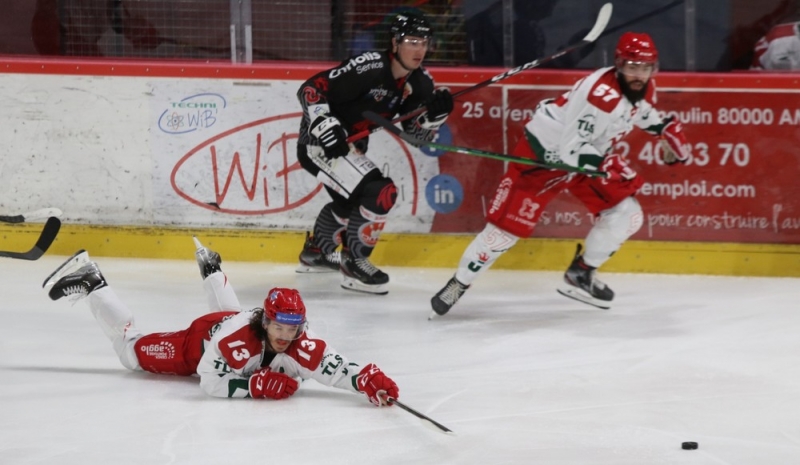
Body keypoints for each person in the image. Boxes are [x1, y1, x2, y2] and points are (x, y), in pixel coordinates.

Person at [429, 32, 691, 317]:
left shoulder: (641, 88)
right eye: (632, 67)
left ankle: (581, 274)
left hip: (583, 158)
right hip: (543, 160)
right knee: (500, 236)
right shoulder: (600, 98)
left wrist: (663, 128)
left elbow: (638, 111)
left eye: (645, 67)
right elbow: (570, 151)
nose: (639, 74)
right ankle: (459, 284)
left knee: (627, 214)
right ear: (618, 65)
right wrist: (605, 165)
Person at [43, 239, 399, 405]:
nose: (285, 336)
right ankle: (93, 283)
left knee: (235, 322)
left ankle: (212, 269)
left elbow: (337, 369)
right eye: (279, 328)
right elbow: (209, 381)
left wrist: (366, 380)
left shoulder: (297, 339)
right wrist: (253, 388)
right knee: (129, 353)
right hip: (197, 343)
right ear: (266, 320)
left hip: (231, 321)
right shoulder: (235, 339)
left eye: (293, 329)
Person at [294, 12, 454, 295]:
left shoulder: (420, 84)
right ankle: (354, 264)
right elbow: (311, 88)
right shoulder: (369, 66)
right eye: (412, 41)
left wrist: (434, 118)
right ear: (394, 42)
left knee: (350, 204)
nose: (420, 50)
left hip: (352, 148)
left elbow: (413, 136)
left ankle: (318, 251)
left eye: (424, 42)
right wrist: (322, 122)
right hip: (321, 144)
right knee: (381, 192)